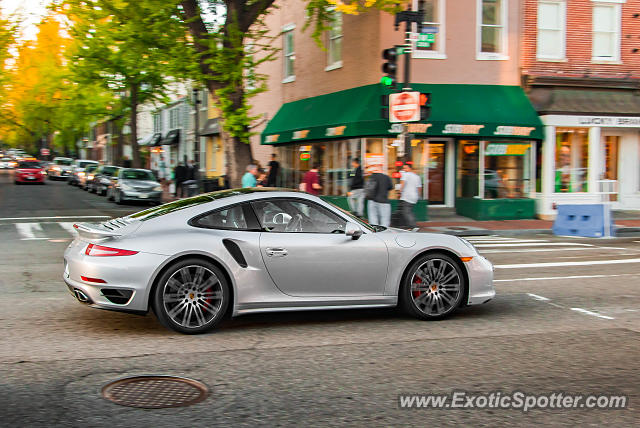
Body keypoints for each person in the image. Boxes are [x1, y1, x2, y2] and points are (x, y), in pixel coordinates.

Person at [398, 163, 422, 229]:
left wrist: (399, 192)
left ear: (410, 168)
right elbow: (419, 187)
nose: (404, 169)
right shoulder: (417, 176)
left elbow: (402, 184)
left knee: (407, 212)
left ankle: (413, 226)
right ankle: (410, 225)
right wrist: (419, 196)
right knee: (409, 211)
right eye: (403, 168)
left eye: (405, 168)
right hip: (414, 196)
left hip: (407, 196)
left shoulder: (405, 175)